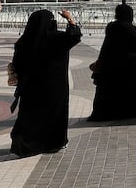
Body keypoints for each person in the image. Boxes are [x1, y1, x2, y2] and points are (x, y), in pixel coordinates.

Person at [9, 9, 82, 158]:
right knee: (54, 115)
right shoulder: (56, 39)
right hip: (55, 88)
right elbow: (74, 35)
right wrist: (70, 19)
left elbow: (17, 65)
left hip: (31, 88)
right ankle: (54, 143)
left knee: (30, 117)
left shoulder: (23, 42)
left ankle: (24, 145)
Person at [88, 4, 136, 121]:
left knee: (110, 91)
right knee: (131, 89)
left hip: (111, 65)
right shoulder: (128, 27)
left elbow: (107, 46)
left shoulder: (112, 27)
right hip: (128, 66)